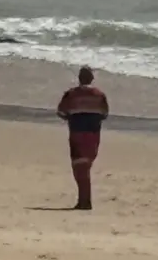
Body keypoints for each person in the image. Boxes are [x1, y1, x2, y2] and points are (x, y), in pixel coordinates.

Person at [56, 66, 109, 210]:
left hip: (77, 133)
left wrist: (72, 117)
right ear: (92, 79)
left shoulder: (71, 94)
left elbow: (60, 112)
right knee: (86, 166)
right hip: (93, 135)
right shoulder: (100, 95)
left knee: (79, 168)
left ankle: (84, 201)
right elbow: (105, 114)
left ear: (79, 78)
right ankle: (85, 200)